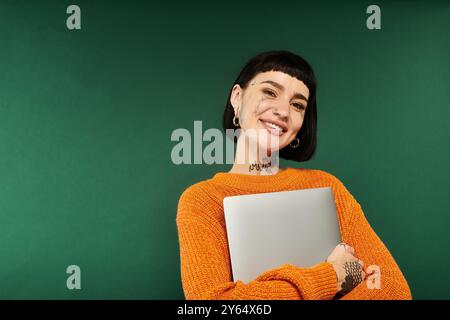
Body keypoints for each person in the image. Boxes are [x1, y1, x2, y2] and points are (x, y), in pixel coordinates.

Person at [176, 50, 412, 300]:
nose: (283, 111)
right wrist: (332, 276)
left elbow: (393, 289)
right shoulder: (202, 200)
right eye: (270, 92)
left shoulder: (326, 186)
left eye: (297, 104)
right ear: (237, 97)